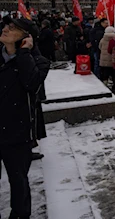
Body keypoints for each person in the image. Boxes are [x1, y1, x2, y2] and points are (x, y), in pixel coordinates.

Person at [0, 17, 50, 218]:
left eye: (12, 28)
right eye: (6, 26)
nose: (5, 29)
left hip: (17, 133)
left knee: (18, 180)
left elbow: (32, 84)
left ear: (25, 38)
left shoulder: (38, 62)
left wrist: (23, 53)